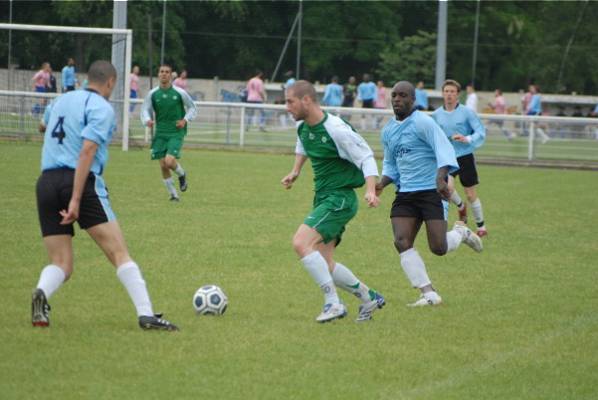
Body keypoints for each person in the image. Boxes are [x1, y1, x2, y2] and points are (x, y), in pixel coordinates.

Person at [31, 60, 178, 331]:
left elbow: (43, 126)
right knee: (119, 253)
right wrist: (75, 199)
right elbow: (87, 150)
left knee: (61, 263)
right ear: (110, 82)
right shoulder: (101, 108)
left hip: (46, 182)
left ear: (88, 79)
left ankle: (41, 293)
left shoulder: (61, 101)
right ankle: (146, 315)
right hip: (80, 182)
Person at [281, 80, 385, 323]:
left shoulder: (336, 129)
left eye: (290, 101)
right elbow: (303, 144)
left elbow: (366, 156)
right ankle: (369, 297)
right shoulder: (304, 127)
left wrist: (370, 189)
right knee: (324, 262)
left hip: (340, 198)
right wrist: (295, 171)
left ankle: (333, 303)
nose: (286, 107)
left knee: (300, 243)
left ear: (306, 100)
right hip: (324, 197)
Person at [376, 81, 483, 307]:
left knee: (438, 248)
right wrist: (381, 184)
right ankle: (429, 294)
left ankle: (461, 233)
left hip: (430, 192)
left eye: (403, 95)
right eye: (394, 95)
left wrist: (440, 176)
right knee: (401, 241)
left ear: (413, 99)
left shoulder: (424, 122)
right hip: (405, 193)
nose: (397, 99)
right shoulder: (388, 130)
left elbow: (443, 150)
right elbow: (390, 164)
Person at [432, 79, 487, 237]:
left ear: (458, 95)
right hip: (447, 158)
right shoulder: (436, 115)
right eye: (446, 91)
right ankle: (461, 206)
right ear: (443, 94)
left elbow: (480, 132)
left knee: (470, 193)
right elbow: (430, 135)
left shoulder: (467, 112)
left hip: (465, 156)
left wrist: (467, 138)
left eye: (452, 92)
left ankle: (481, 226)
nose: (449, 94)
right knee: (446, 187)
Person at [141, 64, 197, 201]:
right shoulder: (153, 94)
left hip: (176, 131)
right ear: (158, 75)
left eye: (167, 72)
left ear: (171, 75)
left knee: (169, 161)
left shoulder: (179, 93)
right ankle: (173, 195)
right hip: (160, 133)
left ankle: (182, 174)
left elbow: (192, 108)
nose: (164, 74)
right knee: (162, 165)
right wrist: (147, 120)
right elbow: (144, 109)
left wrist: (185, 120)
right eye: (161, 72)